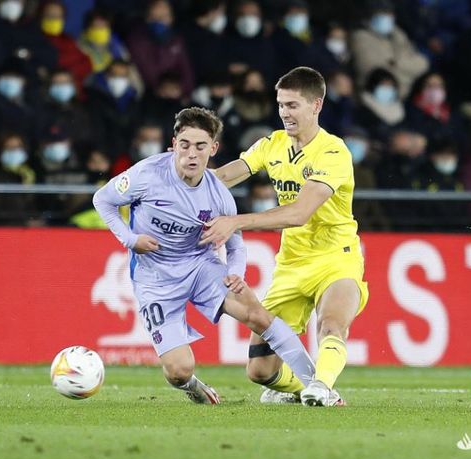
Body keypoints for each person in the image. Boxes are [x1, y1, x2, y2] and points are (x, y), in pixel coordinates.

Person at [93, 107, 325, 405]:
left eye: (200, 146)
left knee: (257, 314)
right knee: (178, 370)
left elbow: (235, 243)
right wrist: (130, 239)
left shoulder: (218, 195)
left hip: (200, 265)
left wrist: (236, 272)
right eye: (185, 145)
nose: (192, 154)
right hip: (156, 277)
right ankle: (192, 387)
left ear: (213, 148)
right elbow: (103, 200)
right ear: (173, 144)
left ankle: (317, 385)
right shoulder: (146, 175)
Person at [201, 66, 369, 407]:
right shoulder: (272, 144)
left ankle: (321, 386)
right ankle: (308, 390)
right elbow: (225, 175)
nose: (284, 113)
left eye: (292, 105)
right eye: (280, 104)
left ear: (316, 106)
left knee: (331, 325)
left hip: (335, 256)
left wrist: (235, 221)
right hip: (291, 263)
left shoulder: (333, 153)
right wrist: (178, 185)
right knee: (260, 371)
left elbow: (298, 213)